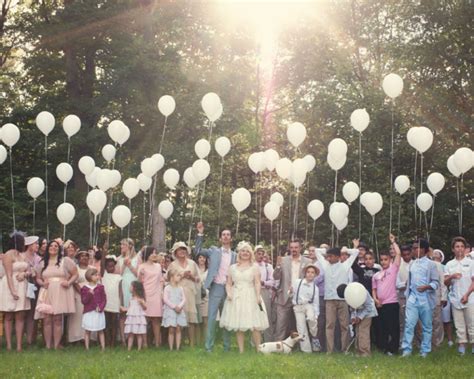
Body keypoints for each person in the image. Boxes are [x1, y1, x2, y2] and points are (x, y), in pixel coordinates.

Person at [195, 222, 236, 353]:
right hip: (216, 288)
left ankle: (227, 347)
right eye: (223, 235)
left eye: (228, 235)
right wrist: (200, 233)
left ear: (231, 238)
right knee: (212, 318)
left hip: (229, 289)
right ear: (220, 238)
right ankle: (208, 347)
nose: (225, 237)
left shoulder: (235, 255)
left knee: (227, 318)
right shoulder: (213, 251)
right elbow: (197, 251)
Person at [220, 241, 268, 353]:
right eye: (243, 251)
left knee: (255, 324)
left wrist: (257, 296)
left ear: (250, 253)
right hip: (236, 296)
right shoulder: (232, 267)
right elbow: (228, 283)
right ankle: (241, 351)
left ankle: (258, 349)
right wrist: (229, 293)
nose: (245, 253)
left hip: (251, 295)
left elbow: (257, 282)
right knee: (238, 324)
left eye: (247, 251)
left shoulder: (255, 267)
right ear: (239, 253)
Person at [35, 239, 78, 349]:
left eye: (56, 246)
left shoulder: (65, 261)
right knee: (47, 319)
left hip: (60, 291)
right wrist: (42, 283)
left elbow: (75, 274)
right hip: (47, 291)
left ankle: (56, 345)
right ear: (47, 248)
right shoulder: (42, 262)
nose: (53, 248)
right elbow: (38, 278)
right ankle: (48, 345)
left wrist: (68, 282)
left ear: (59, 249)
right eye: (51, 246)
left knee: (57, 319)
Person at [401, 239, 440, 357]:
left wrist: (427, 287)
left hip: (426, 299)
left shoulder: (431, 264)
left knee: (427, 326)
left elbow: (436, 283)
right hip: (413, 298)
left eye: (416, 247)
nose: (414, 250)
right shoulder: (412, 263)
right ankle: (406, 350)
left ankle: (425, 351)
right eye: (413, 248)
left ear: (424, 249)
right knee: (409, 324)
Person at [316, 246, 358, 353]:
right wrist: (329, 251)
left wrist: (344, 251)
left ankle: (345, 349)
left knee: (344, 326)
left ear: (338, 257)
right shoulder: (325, 265)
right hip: (329, 300)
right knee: (329, 326)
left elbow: (356, 252)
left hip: (343, 300)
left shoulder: (345, 266)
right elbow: (317, 251)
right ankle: (329, 351)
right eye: (328, 256)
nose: (328, 258)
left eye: (331, 256)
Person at [273, 239, 311, 342]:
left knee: (300, 323)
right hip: (284, 296)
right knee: (281, 323)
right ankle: (278, 344)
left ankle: (301, 345)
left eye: (296, 247)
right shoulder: (283, 260)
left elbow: (310, 280)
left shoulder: (307, 262)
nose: (294, 249)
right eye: (292, 247)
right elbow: (276, 277)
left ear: (300, 248)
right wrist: (278, 265)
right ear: (289, 248)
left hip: (300, 297)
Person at [0, 232, 31, 352]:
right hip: (10, 285)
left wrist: (25, 273)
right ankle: (8, 345)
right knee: (8, 315)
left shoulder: (22, 255)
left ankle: (19, 345)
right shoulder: (8, 255)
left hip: (22, 285)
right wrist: (12, 291)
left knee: (20, 315)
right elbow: (8, 274)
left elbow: (29, 270)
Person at [371, 234, 401, 355]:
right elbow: (374, 289)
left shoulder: (393, 269)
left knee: (393, 328)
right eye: (382, 260)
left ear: (390, 260)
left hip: (392, 303)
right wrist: (375, 300)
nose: (383, 262)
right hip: (380, 304)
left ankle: (393, 349)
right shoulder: (376, 275)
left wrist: (393, 242)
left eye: (386, 259)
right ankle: (383, 348)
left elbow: (398, 254)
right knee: (382, 328)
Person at [444, 236, 474, 355]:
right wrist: (451, 276)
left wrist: (467, 294)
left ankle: (473, 345)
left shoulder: (471, 263)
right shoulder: (449, 264)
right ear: (453, 249)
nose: (460, 249)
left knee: (472, 323)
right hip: (455, 299)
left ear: (465, 248)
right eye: (457, 246)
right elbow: (445, 282)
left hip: (470, 298)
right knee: (459, 324)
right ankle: (461, 345)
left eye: (462, 246)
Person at [168, 241, 200, 347]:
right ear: (176, 252)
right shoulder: (172, 265)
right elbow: (168, 279)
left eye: (184, 249)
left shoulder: (192, 263)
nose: (182, 251)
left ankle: (192, 344)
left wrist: (191, 277)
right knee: (179, 318)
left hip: (190, 292)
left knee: (191, 319)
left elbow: (198, 279)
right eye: (180, 249)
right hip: (178, 293)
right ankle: (179, 343)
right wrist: (182, 275)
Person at [337, 284, 378, 356]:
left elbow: (369, 306)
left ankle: (365, 353)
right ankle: (358, 351)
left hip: (368, 313)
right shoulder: (349, 296)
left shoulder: (361, 291)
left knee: (363, 332)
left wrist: (360, 317)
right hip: (359, 313)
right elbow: (352, 308)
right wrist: (353, 317)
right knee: (357, 332)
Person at [290, 263, 320, 353]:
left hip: (309, 306)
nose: (310, 274)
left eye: (312, 272)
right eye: (308, 272)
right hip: (298, 307)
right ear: (305, 273)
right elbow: (291, 295)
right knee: (301, 328)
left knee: (312, 319)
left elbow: (316, 303)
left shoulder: (315, 288)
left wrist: (316, 315)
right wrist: (290, 291)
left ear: (315, 275)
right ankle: (306, 350)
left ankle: (314, 337)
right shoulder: (297, 282)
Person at [138, 246, 164, 347]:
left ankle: (157, 342)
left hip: (156, 294)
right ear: (147, 254)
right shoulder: (142, 266)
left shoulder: (158, 266)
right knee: (144, 319)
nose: (154, 254)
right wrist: (140, 275)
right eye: (152, 253)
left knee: (156, 320)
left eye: (155, 252)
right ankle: (144, 343)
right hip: (146, 294)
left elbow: (161, 280)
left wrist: (161, 291)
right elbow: (139, 282)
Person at [117, 238, 139, 345]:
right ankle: (123, 338)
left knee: (134, 311)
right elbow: (118, 274)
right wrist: (124, 264)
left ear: (130, 246)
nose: (121, 247)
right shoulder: (119, 259)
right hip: (123, 284)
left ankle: (133, 337)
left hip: (133, 284)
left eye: (124, 245)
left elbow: (138, 274)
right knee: (123, 312)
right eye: (121, 245)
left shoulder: (137, 258)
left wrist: (130, 265)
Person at [68, 250, 93, 343]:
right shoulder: (75, 269)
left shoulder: (92, 268)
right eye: (82, 256)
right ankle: (77, 337)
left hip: (91, 295)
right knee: (78, 316)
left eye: (86, 256)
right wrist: (83, 292)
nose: (84, 257)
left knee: (89, 315)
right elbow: (74, 282)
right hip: (79, 294)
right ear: (78, 258)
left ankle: (90, 338)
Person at [80, 268, 106, 350]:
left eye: (98, 275)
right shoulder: (84, 288)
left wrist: (101, 307)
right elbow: (84, 301)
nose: (98, 276)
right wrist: (89, 294)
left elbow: (104, 299)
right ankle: (87, 348)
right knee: (88, 331)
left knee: (100, 330)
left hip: (98, 312)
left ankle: (103, 348)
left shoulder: (100, 287)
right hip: (89, 312)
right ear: (90, 276)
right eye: (95, 275)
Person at [100, 254, 123, 347]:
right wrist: (104, 252)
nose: (111, 268)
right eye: (109, 266)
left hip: (115, 302)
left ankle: (113, 343)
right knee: (106, 323)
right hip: (106, 303)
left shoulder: (118, 277)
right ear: (105, 267)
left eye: (112, 266)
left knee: (114, 323)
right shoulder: (104, 275)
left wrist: (121, 303)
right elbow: (101, 264)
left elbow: (120, 291)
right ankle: (107, 341)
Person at [162, 268, 187, 351]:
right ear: (172, 277)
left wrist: (179, 306)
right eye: (178, 276)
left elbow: (184, 299)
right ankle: (171, 347)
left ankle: (177, 347)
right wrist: (174, 307)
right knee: (171, 329)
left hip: (179, 310)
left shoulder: (180, 288)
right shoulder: (167, 288)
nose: (179, 277)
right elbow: (165, 299)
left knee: (178, 328)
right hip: (170, 311)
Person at [23, 235, 41, 346]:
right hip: (23, 287)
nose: (37, 246)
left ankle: (30, 339)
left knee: (32, 313)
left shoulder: (38, 259)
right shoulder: (21, 256)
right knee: (22, 313)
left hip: (35, 287)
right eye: (36, 244)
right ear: (29, 245)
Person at [255, 245, 276, 342]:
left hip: (264, 291)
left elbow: (272, 281)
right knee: (254, 315)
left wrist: (263, 282)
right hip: (253, 291)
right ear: (254, 254)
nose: (260, 256)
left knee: (267, 315)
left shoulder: (268, 267)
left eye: (262, 254)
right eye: (258, 254)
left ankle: (269, 340)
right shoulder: (251, 265)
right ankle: (255, 341)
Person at [307, 245, 326, 352]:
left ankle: (319, 345)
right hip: (310, 296)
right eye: (309, 251)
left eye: (313, 251)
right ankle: (312, 344)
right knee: (311, 320)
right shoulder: (311, 263)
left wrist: (307, 283)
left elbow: (320, 277)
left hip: (320, 296)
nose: (311, 252)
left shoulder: (321, 263)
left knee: (319, 321)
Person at [123, 280, 147, 351]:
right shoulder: (131, 299)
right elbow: (130, 308)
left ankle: (139, 348)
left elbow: (145, 308)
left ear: (135, 288)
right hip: (132, 319)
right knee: (131, 334)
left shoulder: (141, 299)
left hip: (138, 319)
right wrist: (124, 309)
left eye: (131, 286)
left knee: (139, 334)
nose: (130, 287)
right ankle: (129, 348)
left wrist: (142, 303)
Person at [396, 244, 413, 343]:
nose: (406, 257)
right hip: (402, 297)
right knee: (402, 322)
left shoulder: (416, 264)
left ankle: (418, 343)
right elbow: (397, 284)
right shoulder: (398, 266)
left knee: (416, 322)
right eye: (404, 255)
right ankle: (403, 343)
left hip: (416, 296)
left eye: (408, 254)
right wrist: (405, 283)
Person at [431, 248, 447, 347]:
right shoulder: (426, 263)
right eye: (434, 253)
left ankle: (438, 342)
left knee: (437, 321)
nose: (435, 254)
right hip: (426, 298)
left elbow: (442, 282)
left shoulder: (440, 266)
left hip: (437, 297)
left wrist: (443, 296)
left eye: (438, 253)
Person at [196, 252, 209, 345]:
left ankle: (205, 340)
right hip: (196, 295)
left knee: (205, 320)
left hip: (207, 296)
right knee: (197, 320)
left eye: (204, 258)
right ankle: (198, 341)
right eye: (200, 257)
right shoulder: (194, 269)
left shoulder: (209, 270)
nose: (202, 259)